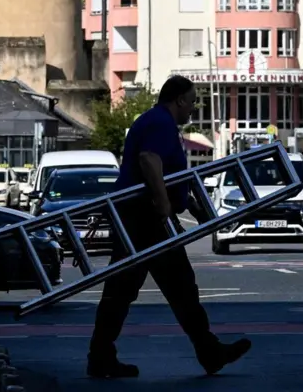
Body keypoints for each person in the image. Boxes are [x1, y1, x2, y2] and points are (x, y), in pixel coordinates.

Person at [87, 75, 251, 379]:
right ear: (178, 100)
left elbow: (170, 176)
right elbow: (149, 161)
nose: (192, 108)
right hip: (145, 219)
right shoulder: (160, 123)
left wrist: (191, 205)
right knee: (171, 287)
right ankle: (208, 352)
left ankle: (102, 355)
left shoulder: (157, 122)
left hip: (142, 217)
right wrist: (164, 204)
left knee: (140, 289)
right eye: (191, 102)